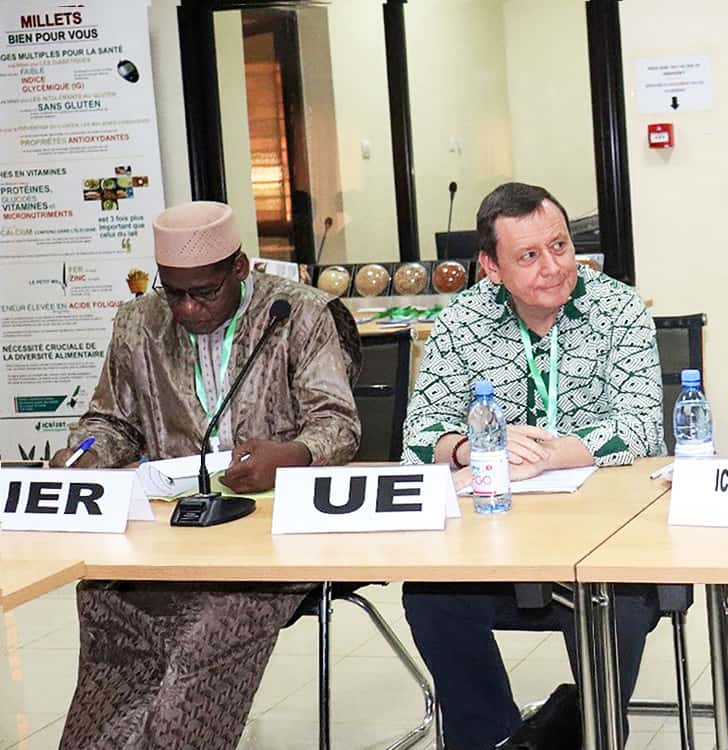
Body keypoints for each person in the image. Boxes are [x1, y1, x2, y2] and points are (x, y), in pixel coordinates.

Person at [51, 201, 362, 750]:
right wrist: (84, 453)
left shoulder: (297, 313)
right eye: (174, 293)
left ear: (239, 269)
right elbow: (110, 421)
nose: (189, 309)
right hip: (173, 528)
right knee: (104, 598)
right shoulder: (138, 322)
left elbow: (337, 425)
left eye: (205, 292)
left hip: (273, 537)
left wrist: (290, 454)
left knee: (205, 629)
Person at [399, 182, 664, 749]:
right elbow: (419, 437)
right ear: (491, 267)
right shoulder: (460, 322)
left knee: (616, 600)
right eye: (529, 256)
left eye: (561, 246)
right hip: (491, 539)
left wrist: (547, 453)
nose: (554, 267)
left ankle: (588, 729)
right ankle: (493, 738)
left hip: (599, 537)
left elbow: (643, 426)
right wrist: (476, 448)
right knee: (428, 595)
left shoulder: (618, 307)